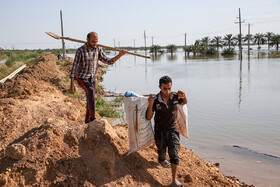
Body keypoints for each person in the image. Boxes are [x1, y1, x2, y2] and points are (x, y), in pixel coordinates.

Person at [70, 32, 127, 123]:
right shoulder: (80, 51)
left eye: (96, 41)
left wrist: (120, 55)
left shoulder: (98, 49)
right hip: (82, 78)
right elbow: (74, 68)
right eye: (93, 42)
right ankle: (92, 118)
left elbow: (109, 61)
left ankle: (87, 121)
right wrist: (72, 84)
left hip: (92, 78)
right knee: (91, 92)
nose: (95, 44)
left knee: (90, 97)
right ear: (87, 39)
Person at [146, 75, 187, 187]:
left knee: (174, 154)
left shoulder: (175, 96)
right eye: (165, 88)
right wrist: (150, 105)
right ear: (159, 87)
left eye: (169, 88)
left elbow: (184, 102)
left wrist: (184, 96)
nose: (168, 91)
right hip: (160, 132)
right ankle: (161, 159)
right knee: (161, 151)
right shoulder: (155, 100)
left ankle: (174, 181)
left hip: (173, 130)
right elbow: (149, 117)